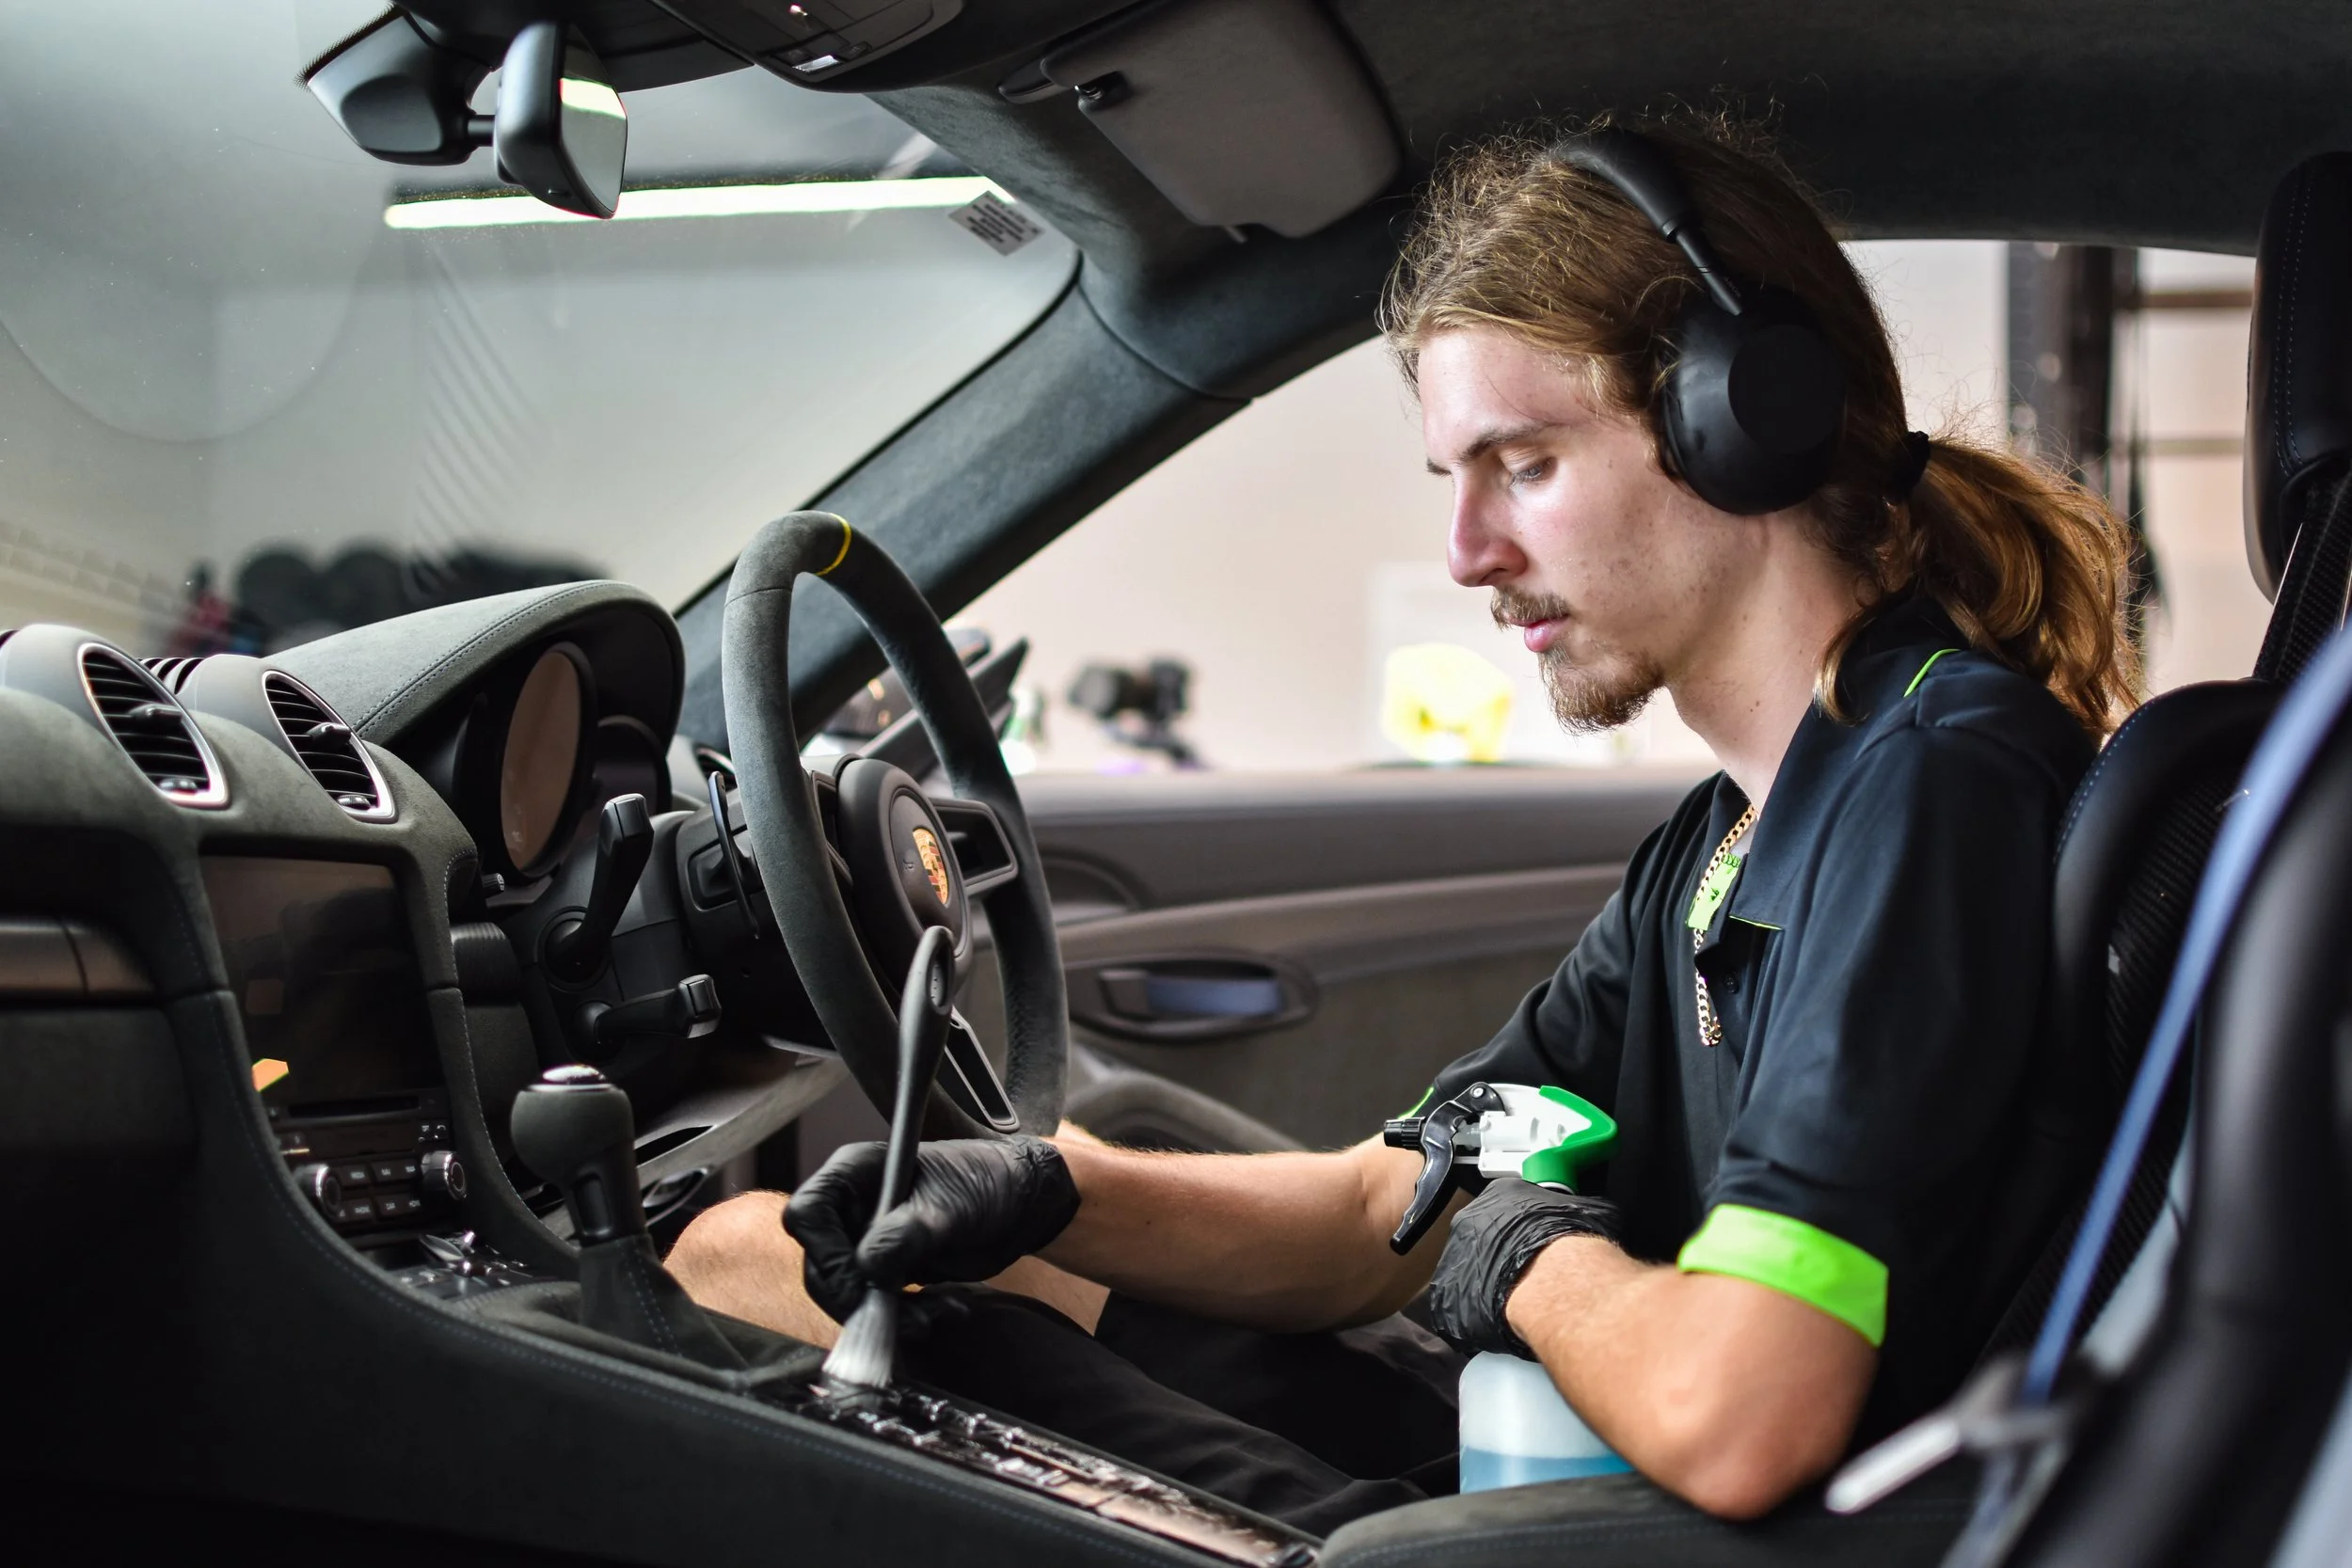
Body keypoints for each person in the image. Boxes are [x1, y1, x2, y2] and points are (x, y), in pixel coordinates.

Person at [666, 117, 2138, 1528]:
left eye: (1528, 464)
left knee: (760, 1270)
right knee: (882, 1229)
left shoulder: (1924, 790)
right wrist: (1045, 1186)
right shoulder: (1724, 842)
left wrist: (1527, 1255)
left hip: (1626, 1527)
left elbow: (1739, 1410)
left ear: (1739, 424)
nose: (1466, 553)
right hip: (1558, 1462)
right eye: (1457, 478)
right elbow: (1407, 1187)